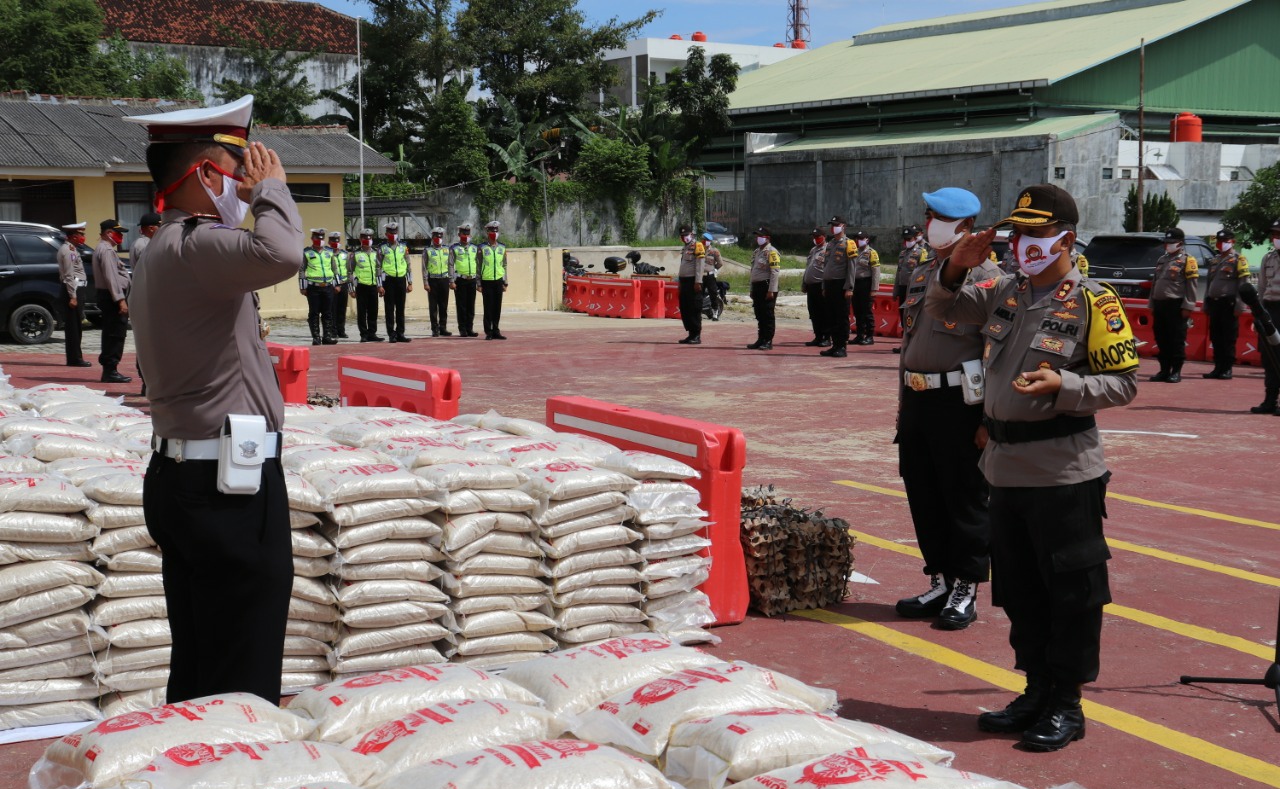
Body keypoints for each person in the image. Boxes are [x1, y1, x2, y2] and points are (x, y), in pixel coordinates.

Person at [926, 183, 1138, 752]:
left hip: (1063, 470)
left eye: (1036, 233)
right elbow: (942, 311)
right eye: (1017, 233)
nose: (1023, 243)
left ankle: (1066, 703)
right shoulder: (1007, 294)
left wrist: (1064, 384)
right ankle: (1035, 689)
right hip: (1003, 467)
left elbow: (1124, 383)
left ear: (1066, 238)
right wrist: (954, 267)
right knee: (1019, 590)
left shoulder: (1094, 300)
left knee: (1071, 590)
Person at [123, 94, 298, 704]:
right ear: (203, 174)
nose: (242, 184)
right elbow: (282, 253)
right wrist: (272, 193)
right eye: (234, 172)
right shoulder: (195, 245)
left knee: (203, 657)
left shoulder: (162, 248)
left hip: (188, 475)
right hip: (226, 486)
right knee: (241, 670)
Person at [895, 188, 998, 630]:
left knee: (965, 497)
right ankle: (939, 578)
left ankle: (966, 587)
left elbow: (997, 350)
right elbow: (909, 344)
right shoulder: (924, 271)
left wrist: (989, 418)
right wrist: (904, 407)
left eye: (937, 217)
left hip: (962, 403)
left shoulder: (989, 277)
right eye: (928, 215)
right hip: (919, 398)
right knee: (924, 493)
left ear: (965, 227)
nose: (928, 222)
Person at [1147, 227, 1198, 383]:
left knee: (1176, 339)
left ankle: (1176, 371)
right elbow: (1155, 283)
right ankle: (1164, 370)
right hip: (1160, 304)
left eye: (1171, 242)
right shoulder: (1162, 260)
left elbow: (1192, 285)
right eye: (1166, 242)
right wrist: (1152, 303)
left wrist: (1188, 306)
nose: (1168, 245)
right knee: (1161, 338)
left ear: (1180, 243)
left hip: (1176, 305)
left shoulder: (1188, 260)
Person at [1202, 228, 1250, 380]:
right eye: (1219, 241)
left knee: (1228, 338)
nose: (1221, 244)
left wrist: (1240, 305)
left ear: (1232, 242)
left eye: (1225, 241)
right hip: (1214, 303)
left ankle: (1227, 369)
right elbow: (1209, 284)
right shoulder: (1215, 260)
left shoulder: (1239, 259)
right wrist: (1206, 302)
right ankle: (1218, 367)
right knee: (1216, 337)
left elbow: (1243, 284)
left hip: (1228, 303)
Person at [93, 219, 133, 384]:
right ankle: (110, 370)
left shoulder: (104, 249)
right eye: (118, 233)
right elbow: (111, 278)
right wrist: (120, 300)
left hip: (109, 296)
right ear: (109, 233)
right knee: (115, 334)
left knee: (112, 332)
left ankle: (110, 369)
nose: (120, 237)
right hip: (112, 298)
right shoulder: (107, 250)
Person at [1253, 218, 1280, 414]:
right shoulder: (1268, 258)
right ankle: (1270, 400)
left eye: (1279, 234)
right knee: (1269, 356)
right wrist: (1260, 313)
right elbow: (1262, 288)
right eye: (1274, 234)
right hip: (1270, 310)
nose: (1275, 238)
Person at [58, 222, 90, 368]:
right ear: (74, 236)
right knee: (73, 327)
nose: (83, 237)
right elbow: (69, 275)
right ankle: (74, 358)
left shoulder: (72, 249)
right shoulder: (68, 251)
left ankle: (76, 357)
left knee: (76, 325)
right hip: (73, 289)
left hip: (77, 288)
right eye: (81, 234)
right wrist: (73, 296)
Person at [893, 226, 930, 354]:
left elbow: (924, 272)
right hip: (903, 288)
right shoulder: (902, 253)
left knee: (913, 317)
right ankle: (905, 343)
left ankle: (915, 344)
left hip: (915, 290)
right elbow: (898, 273)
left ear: (915, 239)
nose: (907, 241)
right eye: (905, 239)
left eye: (909, 239)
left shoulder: (921, 252)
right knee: (903, 316)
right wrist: (895, 291)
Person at [299, 229, 338, 345]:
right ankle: (316, 337)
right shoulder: (306, 252)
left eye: (322, 238)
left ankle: (327, 336)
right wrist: (302, 287)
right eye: (317, 238)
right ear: (312, 239)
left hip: (328, 286)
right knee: (314, 313)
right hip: (313, 287)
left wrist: (337, 284)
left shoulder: (329, 252)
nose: (320, 240)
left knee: (328, 312)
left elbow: (334, 269)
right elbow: (301, 270)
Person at [747, 226, 781, 351]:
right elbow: (753, 271)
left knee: (767, 315)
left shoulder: (772, 252)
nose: (758, 238)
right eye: (757, 236)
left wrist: (771, 290)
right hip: (757, 286)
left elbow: (774, 272)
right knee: (759, 314)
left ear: (767, 238)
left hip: (767, 286)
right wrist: (751, 288)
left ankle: (768, 340)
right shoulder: (757, 252)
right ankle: (761, 338)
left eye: (760, 236)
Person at [379, 221, 412, 343]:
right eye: (390, 232)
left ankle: (400, 333)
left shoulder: (403, 247)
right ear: (386, 234)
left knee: (400, 308)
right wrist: (380, 285)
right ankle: (391, 334)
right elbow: (378, 267)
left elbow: (408, 264)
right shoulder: (382, 248)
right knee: (389, 308)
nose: (393, 234)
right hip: (388, 280)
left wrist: (410, 282)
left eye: (395, 232)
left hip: (401, 280)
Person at [849, 230, 881, 345]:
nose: (859, 240)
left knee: (866, 311)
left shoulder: (871, 252)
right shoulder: (855, 252)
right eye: (857, 238)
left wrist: (874, 289)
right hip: (856, 284)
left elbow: (876, 271)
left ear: (867, 239)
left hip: (866, 284)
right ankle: (859, 335)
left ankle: (869, 336)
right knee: (857, 311)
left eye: (861, 238)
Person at [351, 228, 384, 342]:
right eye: (365, 238)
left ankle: (372, 333)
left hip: (373, 286)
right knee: (362, 312)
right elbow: (349, 272)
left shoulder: (376, 253)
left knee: (373, 311)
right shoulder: (355, 254)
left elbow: (379, 270)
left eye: (369, 237)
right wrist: (351, 288)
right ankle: (363, 334)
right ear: (360, 239)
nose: (367, 240)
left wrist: (380, 285)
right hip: (361, 286)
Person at [479, 220, 508, 340]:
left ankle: (496, 330)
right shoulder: (482, 247)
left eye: (496, 231)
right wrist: (478, 283)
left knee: (497, 307)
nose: (494, 233)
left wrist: (505, 281)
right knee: (488, 307)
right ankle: (488, 331)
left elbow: (505, 265)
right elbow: (478, 266)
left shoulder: (502, 247)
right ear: (487, 232)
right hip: (486, 280)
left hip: (498, 280)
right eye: (492, 231)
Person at [676, 225, 705, 344]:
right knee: (685, 308)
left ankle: (696, 335)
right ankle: (690, 334)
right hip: (684, 281)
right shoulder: (685, 247)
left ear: (692, 234)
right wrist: (679, 283)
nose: (684, 237)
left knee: (694, 308)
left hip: (693, 281)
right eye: (682, 236)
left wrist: (698, 281)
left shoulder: (697, 246)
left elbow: (700, 265)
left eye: (686, 235)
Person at [423, 226, 455, 337]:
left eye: (440, 236)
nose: (438, 238)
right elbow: (424, 267)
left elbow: (450, 265)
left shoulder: (447, 249)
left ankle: (443, 328)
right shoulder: (428, 250)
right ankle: (434, 329)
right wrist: (425, 282)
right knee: (433, 306)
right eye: (436, 236)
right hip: (433, 280)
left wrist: (451, 280)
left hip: (444, 280)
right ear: (432, 237)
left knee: (443, 305)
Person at [451, 223, 480, 337]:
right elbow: (451, 265)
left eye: (467, 233)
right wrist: (451, 281)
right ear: (459, 234)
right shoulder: (455, 248)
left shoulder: (474, 248)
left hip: (472, 279)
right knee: (461, 306)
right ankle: (462, 329)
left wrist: (478, 281)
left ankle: (470, 328)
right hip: (460, 279)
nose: (466, 236)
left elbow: (478, 265)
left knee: (471, 306)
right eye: (464, 233)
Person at [803, 228, 829, 347]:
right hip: (811, 286)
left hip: (821, 285)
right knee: (813, 312)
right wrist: (804, 282)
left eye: (818, 236)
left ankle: (826, 337)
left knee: (824, 312)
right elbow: (808, 267)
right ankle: (818, 336)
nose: (815, 239)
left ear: (824, 236)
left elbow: (829, 269)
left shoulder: (828, 249)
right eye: (814, 236)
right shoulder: (813, 250)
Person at [328, 231, 351, 339]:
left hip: (344, 283)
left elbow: (349, 270)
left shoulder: (345, 254)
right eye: (333, 240)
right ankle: (333, 331)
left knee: (342, 308)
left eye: (337, 240)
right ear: (329, 242)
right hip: (332, 285)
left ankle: (341, 330)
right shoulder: (327, 254)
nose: (335, 242)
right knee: (332, 309)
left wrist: (350, 286)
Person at [702, 232, 724, 320]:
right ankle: (698, 311)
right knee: (699, 294)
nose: (704, 241)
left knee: (713, 293)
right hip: (700, 276)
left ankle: (715, 311)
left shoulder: (714, 251)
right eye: (703, 239)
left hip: (710, 276)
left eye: (706, 240)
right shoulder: (699, 250)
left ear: (709, 241)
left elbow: (720, 263)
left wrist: (714, 269)